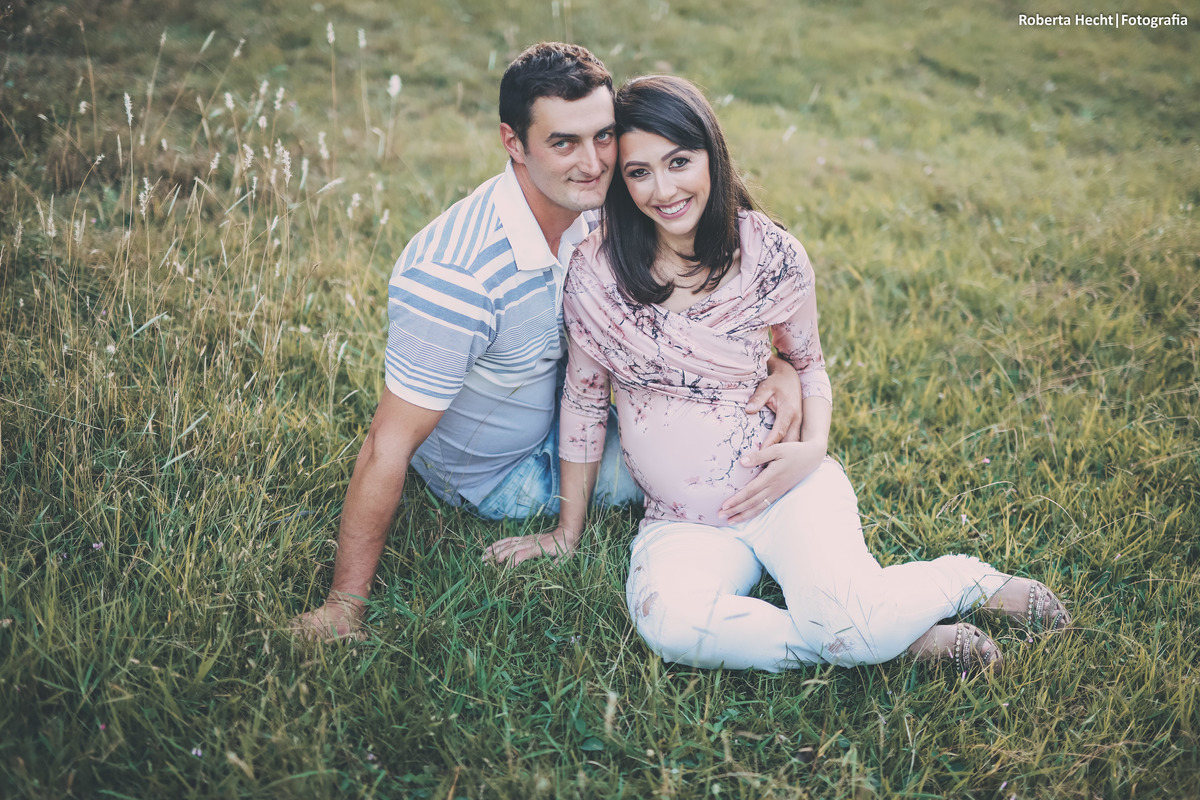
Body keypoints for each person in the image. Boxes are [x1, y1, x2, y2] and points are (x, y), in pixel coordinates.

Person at [554, 75, 1071, 673]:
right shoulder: (598, 274)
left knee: (848, 622)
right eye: (639, 172)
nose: (663, 189)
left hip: (786, 491)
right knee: (672, 626)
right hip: (680, 521)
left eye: (679, 162)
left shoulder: (770, 255)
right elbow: (584, 401)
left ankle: (961, 582)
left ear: (711, 157)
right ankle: (883, 636)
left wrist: (813, 448)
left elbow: (809, 365)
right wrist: (568, 532)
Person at [290, 45, 803, 641]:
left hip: (577, 412)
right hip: (502, 470)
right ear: (514, 142)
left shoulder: (598, 208)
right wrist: (344, 605)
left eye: (603, 136)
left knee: (744, 431)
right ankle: (814, 615)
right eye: (564, 143)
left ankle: (817, 575)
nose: (593, 163)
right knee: (722, 464)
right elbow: (387, 444)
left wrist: (781, 368)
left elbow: (700, 307)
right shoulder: (456, 278)